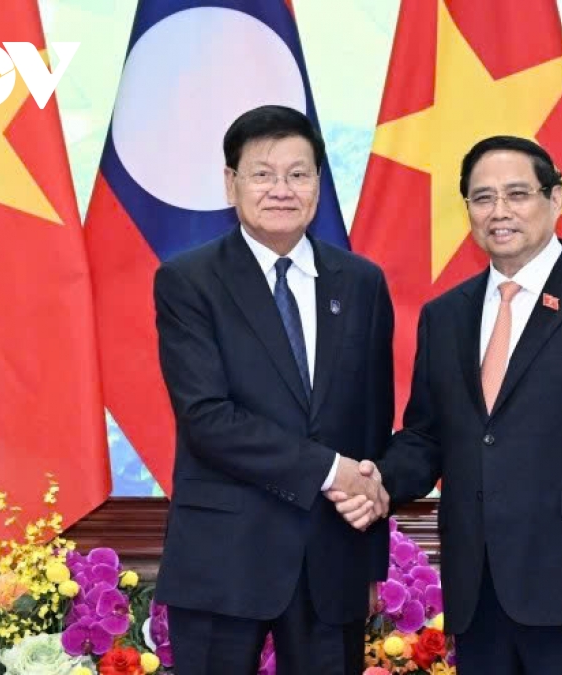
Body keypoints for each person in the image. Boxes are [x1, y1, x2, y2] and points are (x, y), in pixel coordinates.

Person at [332, 136, 562, 674]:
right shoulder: (445, 315)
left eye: (517, 194)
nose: (500, 211)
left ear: (556, 198)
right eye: (483, 197)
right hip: (480, 596)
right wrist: (377, 481)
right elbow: (427, 437)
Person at [153, 104, 394, 675]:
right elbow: (208, 418)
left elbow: (371, 425)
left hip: (332, 561)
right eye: (263, 174)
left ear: (318, 183)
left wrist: (368, 562)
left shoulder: (361, 282)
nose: (281, 189)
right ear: (231, 183)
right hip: (224, 559)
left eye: (298, 173)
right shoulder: (188, 281)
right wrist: (332, 471)